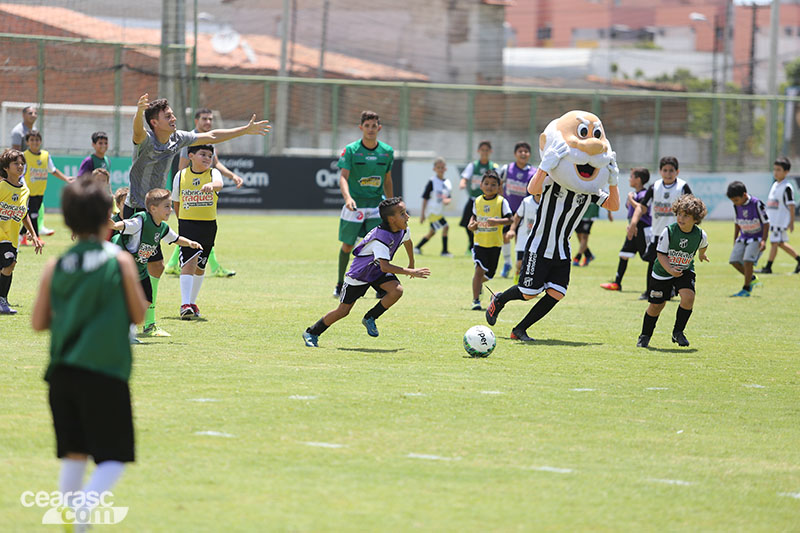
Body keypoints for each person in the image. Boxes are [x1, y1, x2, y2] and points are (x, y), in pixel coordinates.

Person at [31, 180, 148, 528]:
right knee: (113, 457)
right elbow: (139, 314)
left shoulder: (56, 265)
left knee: (74, 453)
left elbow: (38, 322)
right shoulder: (119, 261)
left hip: (62, 374)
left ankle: (73, 519)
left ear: (68, 219)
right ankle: (83, 506)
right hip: (105, 371)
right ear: (107, 218)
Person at [125, 94, 269, 336]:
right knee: (132, 268)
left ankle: (148, 324)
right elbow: (137, 132)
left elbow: (211, 137)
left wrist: (244, 130)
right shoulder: (146, 139)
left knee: (156, 266)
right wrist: (139, 112)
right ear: (154, 123)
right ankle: (125, 323)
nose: (173, 118)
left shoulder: (177, 138)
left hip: (154, 215)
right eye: (167, 116)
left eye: (172, 114)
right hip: (136, 211)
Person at [485, 139, 620, 341]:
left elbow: (614, 205)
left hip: (562, 249)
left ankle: (519, 329)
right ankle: (500, 299)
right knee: (528, 292)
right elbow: (532, 189)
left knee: (557, 293)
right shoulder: (553, 180)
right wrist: (545, 165)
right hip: (539, 245)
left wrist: (613, 180)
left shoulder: (590, 190)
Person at [303, 197, 429, 347]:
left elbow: (408, 241)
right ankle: (312, 332)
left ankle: (370, 317)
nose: (407, 216)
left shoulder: (403, 229)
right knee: (343, 311)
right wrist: (411, 271)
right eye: (402, 214)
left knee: (396, 291)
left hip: (377, 271)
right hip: (360, 275)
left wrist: (412, 262)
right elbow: (385, 267)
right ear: (391, 219)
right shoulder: (380, 239)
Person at [164, 108, 245, 278]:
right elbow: (182, 168)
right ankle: (212, 267)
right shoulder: (191, 140)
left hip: (205, 193)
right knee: (196, 237)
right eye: (204, 119)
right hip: (192, 196)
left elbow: (216, 163)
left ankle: (174, 264)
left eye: (210, 119)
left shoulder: (210, 141)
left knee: (201, 236)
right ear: (196, 121)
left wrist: (232, 176)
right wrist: (186, 190)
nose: (208, 122)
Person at [111, 188, 202, 337]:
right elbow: (127, 224)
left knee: (147, 300)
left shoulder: (162, 227)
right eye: (167, 206)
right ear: (153, 208)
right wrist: (115, 226)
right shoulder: (141, 220)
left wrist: (190, 243)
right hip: (124, 269)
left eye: (170, 206)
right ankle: (123, 330)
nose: (170, 210)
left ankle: (124, 326)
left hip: (140, 270)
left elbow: (175, 238)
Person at [333, 110, 394, 299]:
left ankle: (378, 286)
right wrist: (348, 198)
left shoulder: (387, 151)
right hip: (355, 206)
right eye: (367, 126)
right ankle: (340, 284)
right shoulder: (351, 150)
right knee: (347, 246)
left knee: (378, 247)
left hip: (376, 206)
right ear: (361, 127)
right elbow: (343, 177)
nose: (370, 129)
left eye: (374, 126)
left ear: (379, 128)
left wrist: (391, 205)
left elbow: (388, 180)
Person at [637, 195, 709, 348]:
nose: (681, 218)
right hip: (662, 271)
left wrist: (702, 255)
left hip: (684, 270)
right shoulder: (669, 231)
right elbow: (661, 255)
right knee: (657, 306)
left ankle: (678, 332)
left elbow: (704, 245)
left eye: (686, 215)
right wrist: (670, 269)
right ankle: (645, 335)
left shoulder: (700, 235)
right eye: (679, 214)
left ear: (696, 219)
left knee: (688, 297)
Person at [171, 145, 223, 319]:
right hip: (188, 225)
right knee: (188, 263)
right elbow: (176, 201)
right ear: (191, 156)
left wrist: (211, 185)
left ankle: (192, 302)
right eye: (203, 154)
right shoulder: (181, 175)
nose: (207, 158)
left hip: (208, 226)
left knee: (201, 267)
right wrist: (182, 220)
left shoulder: (213, 173)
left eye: (210, 155)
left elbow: (219, 184)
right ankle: (184, 304)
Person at [632, 156, 692, 299]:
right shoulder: (655, 187)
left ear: (677, 172)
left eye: (671, 170)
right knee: (653, 262)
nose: (668, 173)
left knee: (675, 263)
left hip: (676, 234)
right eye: (665, 170)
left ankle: (672, 290)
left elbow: (691, 207)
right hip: (658, 233)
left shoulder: (682, 187)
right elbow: (642, 207)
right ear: (660, 171)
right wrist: (633, 223)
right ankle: (649, 291)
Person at [0, 149, 44, 314]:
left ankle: (3, 300)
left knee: (7, 266)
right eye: (15, 163)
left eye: (22, 163)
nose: (20, 166)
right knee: (10, 263)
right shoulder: (1, 187)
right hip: (1, 236)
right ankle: (1, 300)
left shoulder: (25, 190)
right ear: (6, 167)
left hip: (12, 237)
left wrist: (33, 234)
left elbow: (24, 214)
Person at [468, 170, 513, 311]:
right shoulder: (477, 201)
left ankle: (478, 285)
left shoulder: (501, 202)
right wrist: (471, 225)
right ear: (481, 185)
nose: (489, 186)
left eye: (493, 184)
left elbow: (510, 219)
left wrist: (497, 222)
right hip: (480, 242)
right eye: (486, 183)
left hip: (495, 244)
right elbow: (473, 217)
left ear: (499, 187)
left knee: (489, 275)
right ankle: (476, 300)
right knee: (479, 270)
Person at [601, 167, 652, 291]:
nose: (629, 179)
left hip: (642, 229)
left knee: (649, 257)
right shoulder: (634, 194)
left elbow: (642, 209)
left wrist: (631, 199)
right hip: (632, 228)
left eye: (631, 177)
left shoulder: (644, 194)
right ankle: (617, 283)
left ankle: (665, 285)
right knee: (624, 254)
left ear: (638, 180)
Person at [18, 130, 72, 244]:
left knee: (32, 214)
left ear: (41, 141)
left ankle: (21, 236)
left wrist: (66, 178)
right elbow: (21, 174)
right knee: (33, 215)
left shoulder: (45, 155)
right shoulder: (24, 156)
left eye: (37, 140)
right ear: (27, 142)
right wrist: (22, 188)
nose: (35, 142)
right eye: (32, 140)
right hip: (29, 193)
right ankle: (36, 238)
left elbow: (53, 170)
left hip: (40, 191)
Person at [499, 141, 537, 277]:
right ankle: (507, 263)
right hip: (508, 211)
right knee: (505, 237)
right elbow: (499, 184)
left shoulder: (534, 172)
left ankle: (518, 267)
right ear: (515, 154)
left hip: (524, 212)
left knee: (520, 240)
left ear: (529, 155)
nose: (523, 154)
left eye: (526, 151)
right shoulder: (507, 169)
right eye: (520, 151)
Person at [726, 181, 769, 297]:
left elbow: (766, 223)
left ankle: (746, 289)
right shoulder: (736, 206)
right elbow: (737, 223)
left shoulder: (757, 204)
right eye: (733, 201)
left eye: (736, 200)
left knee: (748, 261)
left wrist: (764, 240)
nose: (735, 203)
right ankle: (752, 278)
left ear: (744, 195)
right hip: (744, 236)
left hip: (756, 238)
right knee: (734, 261)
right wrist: (735, 239)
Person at [759, 156, 799, 274]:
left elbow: (791, 205)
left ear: (786, 172)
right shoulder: (775, 185)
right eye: (774, 169)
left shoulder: (787, 187)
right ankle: (799, 260)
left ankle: (768, 267)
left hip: (780, 221)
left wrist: (791, 222)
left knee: (774, 243)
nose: (775, 172)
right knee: (780, 243)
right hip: (773, 220)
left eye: (779, 170)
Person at [459, 141, 499, 254]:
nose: (484, 152)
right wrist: (462, 183)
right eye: (482, 150)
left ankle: (485, 245)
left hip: (488, 201)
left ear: (490, 152)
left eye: (487, 150)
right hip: (473, 199)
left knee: (485, 224)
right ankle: (471, 245)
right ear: (478, 151)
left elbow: (499, 182)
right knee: (467, 222)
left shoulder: (493, 167)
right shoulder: (473, 165)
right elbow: (465, 177)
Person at [415, 157, 452, 257]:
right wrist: (422, 214)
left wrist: (447, 201)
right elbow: (425, 198)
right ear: (434, 169)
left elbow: (448, 197)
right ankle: (444, 251)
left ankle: (417, 248)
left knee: (432, 232)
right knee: (446, 226)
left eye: (442, 167)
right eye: (438, 167)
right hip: (432, 212)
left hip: (439, 212)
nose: (440, 169)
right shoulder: (432, 182)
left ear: (445, 168)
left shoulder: (447, 183)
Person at [507, 192, 541, 281]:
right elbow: (517, 216)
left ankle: (528, 282)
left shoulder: (548, 202)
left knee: (535, 265)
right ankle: (518, 275)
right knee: (519, 264)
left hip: (539, 239)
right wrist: (512, 229)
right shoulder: (526, 201)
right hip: (524, 237)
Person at [573, 202, 612, 266]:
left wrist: (609, 212)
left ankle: (577, 257)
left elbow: (605, 199)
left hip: (590, 215)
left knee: (584, 236)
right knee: (579, 235)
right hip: (578, 214)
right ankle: (588, 255)